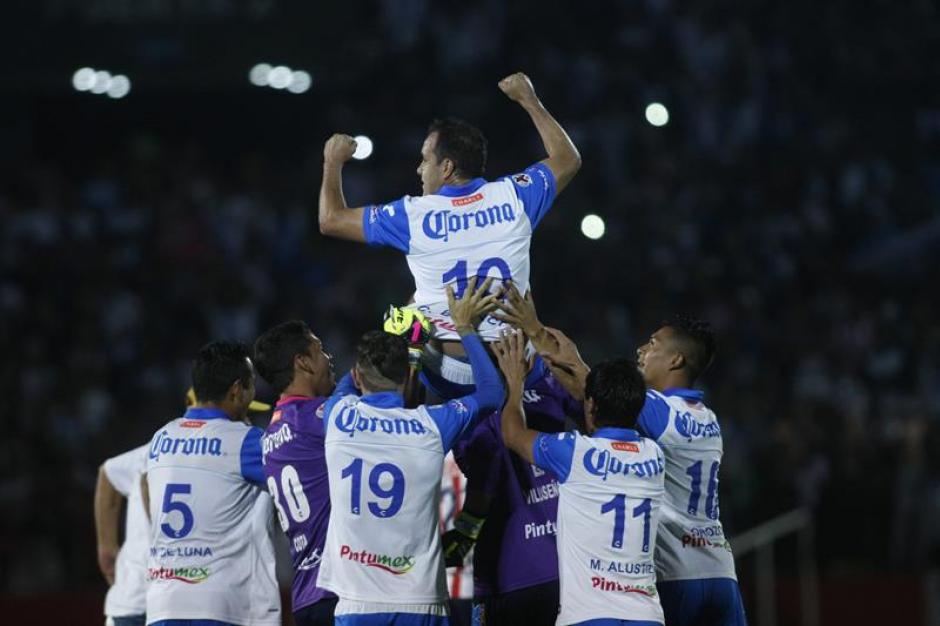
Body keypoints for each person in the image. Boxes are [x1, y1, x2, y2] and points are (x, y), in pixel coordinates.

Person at [317, 72, 580, 392]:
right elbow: (568, 158)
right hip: (512, 362)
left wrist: (333, 161)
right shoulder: (515, 196)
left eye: (425, 159)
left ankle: (398, 403)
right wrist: (529, 100)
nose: (419, 169)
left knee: (395, 319)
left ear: (446, 168)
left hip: (447, 369)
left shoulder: (413, 214)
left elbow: (330, 219)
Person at [317, 277, 505, 625]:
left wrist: (395, 333)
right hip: (420, 600)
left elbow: (350, 379)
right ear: (406, 375)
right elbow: (493, 393)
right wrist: (464, 329)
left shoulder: (339, 415)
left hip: (357, 604)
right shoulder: (431, 425)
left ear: (359, 376)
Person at [494, 330, 666, 626]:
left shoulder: (574, 451)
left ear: (591, 405)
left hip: (589, 616)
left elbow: (513, 435)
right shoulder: (655, 455)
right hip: (646, 615)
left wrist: (514, 383)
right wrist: (575, 365)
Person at [142, 340, 280, 626]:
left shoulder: (161, 438)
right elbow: (301, 477)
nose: (255, 393)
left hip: (163, 604)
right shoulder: (246, 442)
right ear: (236, 390)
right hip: (223, 606)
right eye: (251, 384)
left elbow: (146, 491)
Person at [635, 316, 747, 626]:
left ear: (676, 359)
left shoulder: (659, 414)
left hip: (677, 576)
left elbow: (593, 388)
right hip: (722, 574)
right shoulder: (709, 419)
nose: (641, 350)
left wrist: (536, 330)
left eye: (653, 343)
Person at [253, 321, 339, 626]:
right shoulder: (319, 418)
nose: (329, 359)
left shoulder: (270, 433)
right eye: (320, 351)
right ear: (302, 362)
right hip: (338, 591)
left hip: (304, 597)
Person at [96, 445, 150, 626]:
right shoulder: (229, 449)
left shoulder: (159, 445)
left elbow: (109, 472)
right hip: (180, 597)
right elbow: (109, 473)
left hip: (132, 597)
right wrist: (108, 549)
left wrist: (107, 549)